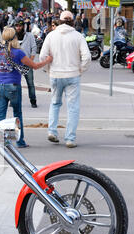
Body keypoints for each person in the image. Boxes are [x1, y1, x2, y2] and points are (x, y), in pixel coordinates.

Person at [0, 27, 52, 148]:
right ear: (15, 38)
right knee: (17, 114)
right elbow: (34, 66)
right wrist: (47, 60)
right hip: (13, 86)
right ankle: (20, 141)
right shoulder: (18, 52)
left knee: (0, 115)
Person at [39, 11, 91, 148]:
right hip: (72, 74)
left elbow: (43, 56)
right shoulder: (78, 36)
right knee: (73, 107)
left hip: (55, 75)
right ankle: (70, 138)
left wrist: (48, 70)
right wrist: (81, 70)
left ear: (60, 21)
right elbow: (87, 57)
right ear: (72, 21)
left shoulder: (51, 36)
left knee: (55, 104)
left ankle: (52, 131)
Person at [19, 20, 38, 108]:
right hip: (16, 63)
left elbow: (34, 47)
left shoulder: (29, 35)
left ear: (23, 26)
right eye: (16, 26)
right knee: (15, 83)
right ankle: (14, 100)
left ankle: (33, 100)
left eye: (20, 26)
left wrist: (31, 59)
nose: (18, 27)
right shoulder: (13, 36)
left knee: (30, 83)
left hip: (27, 62)